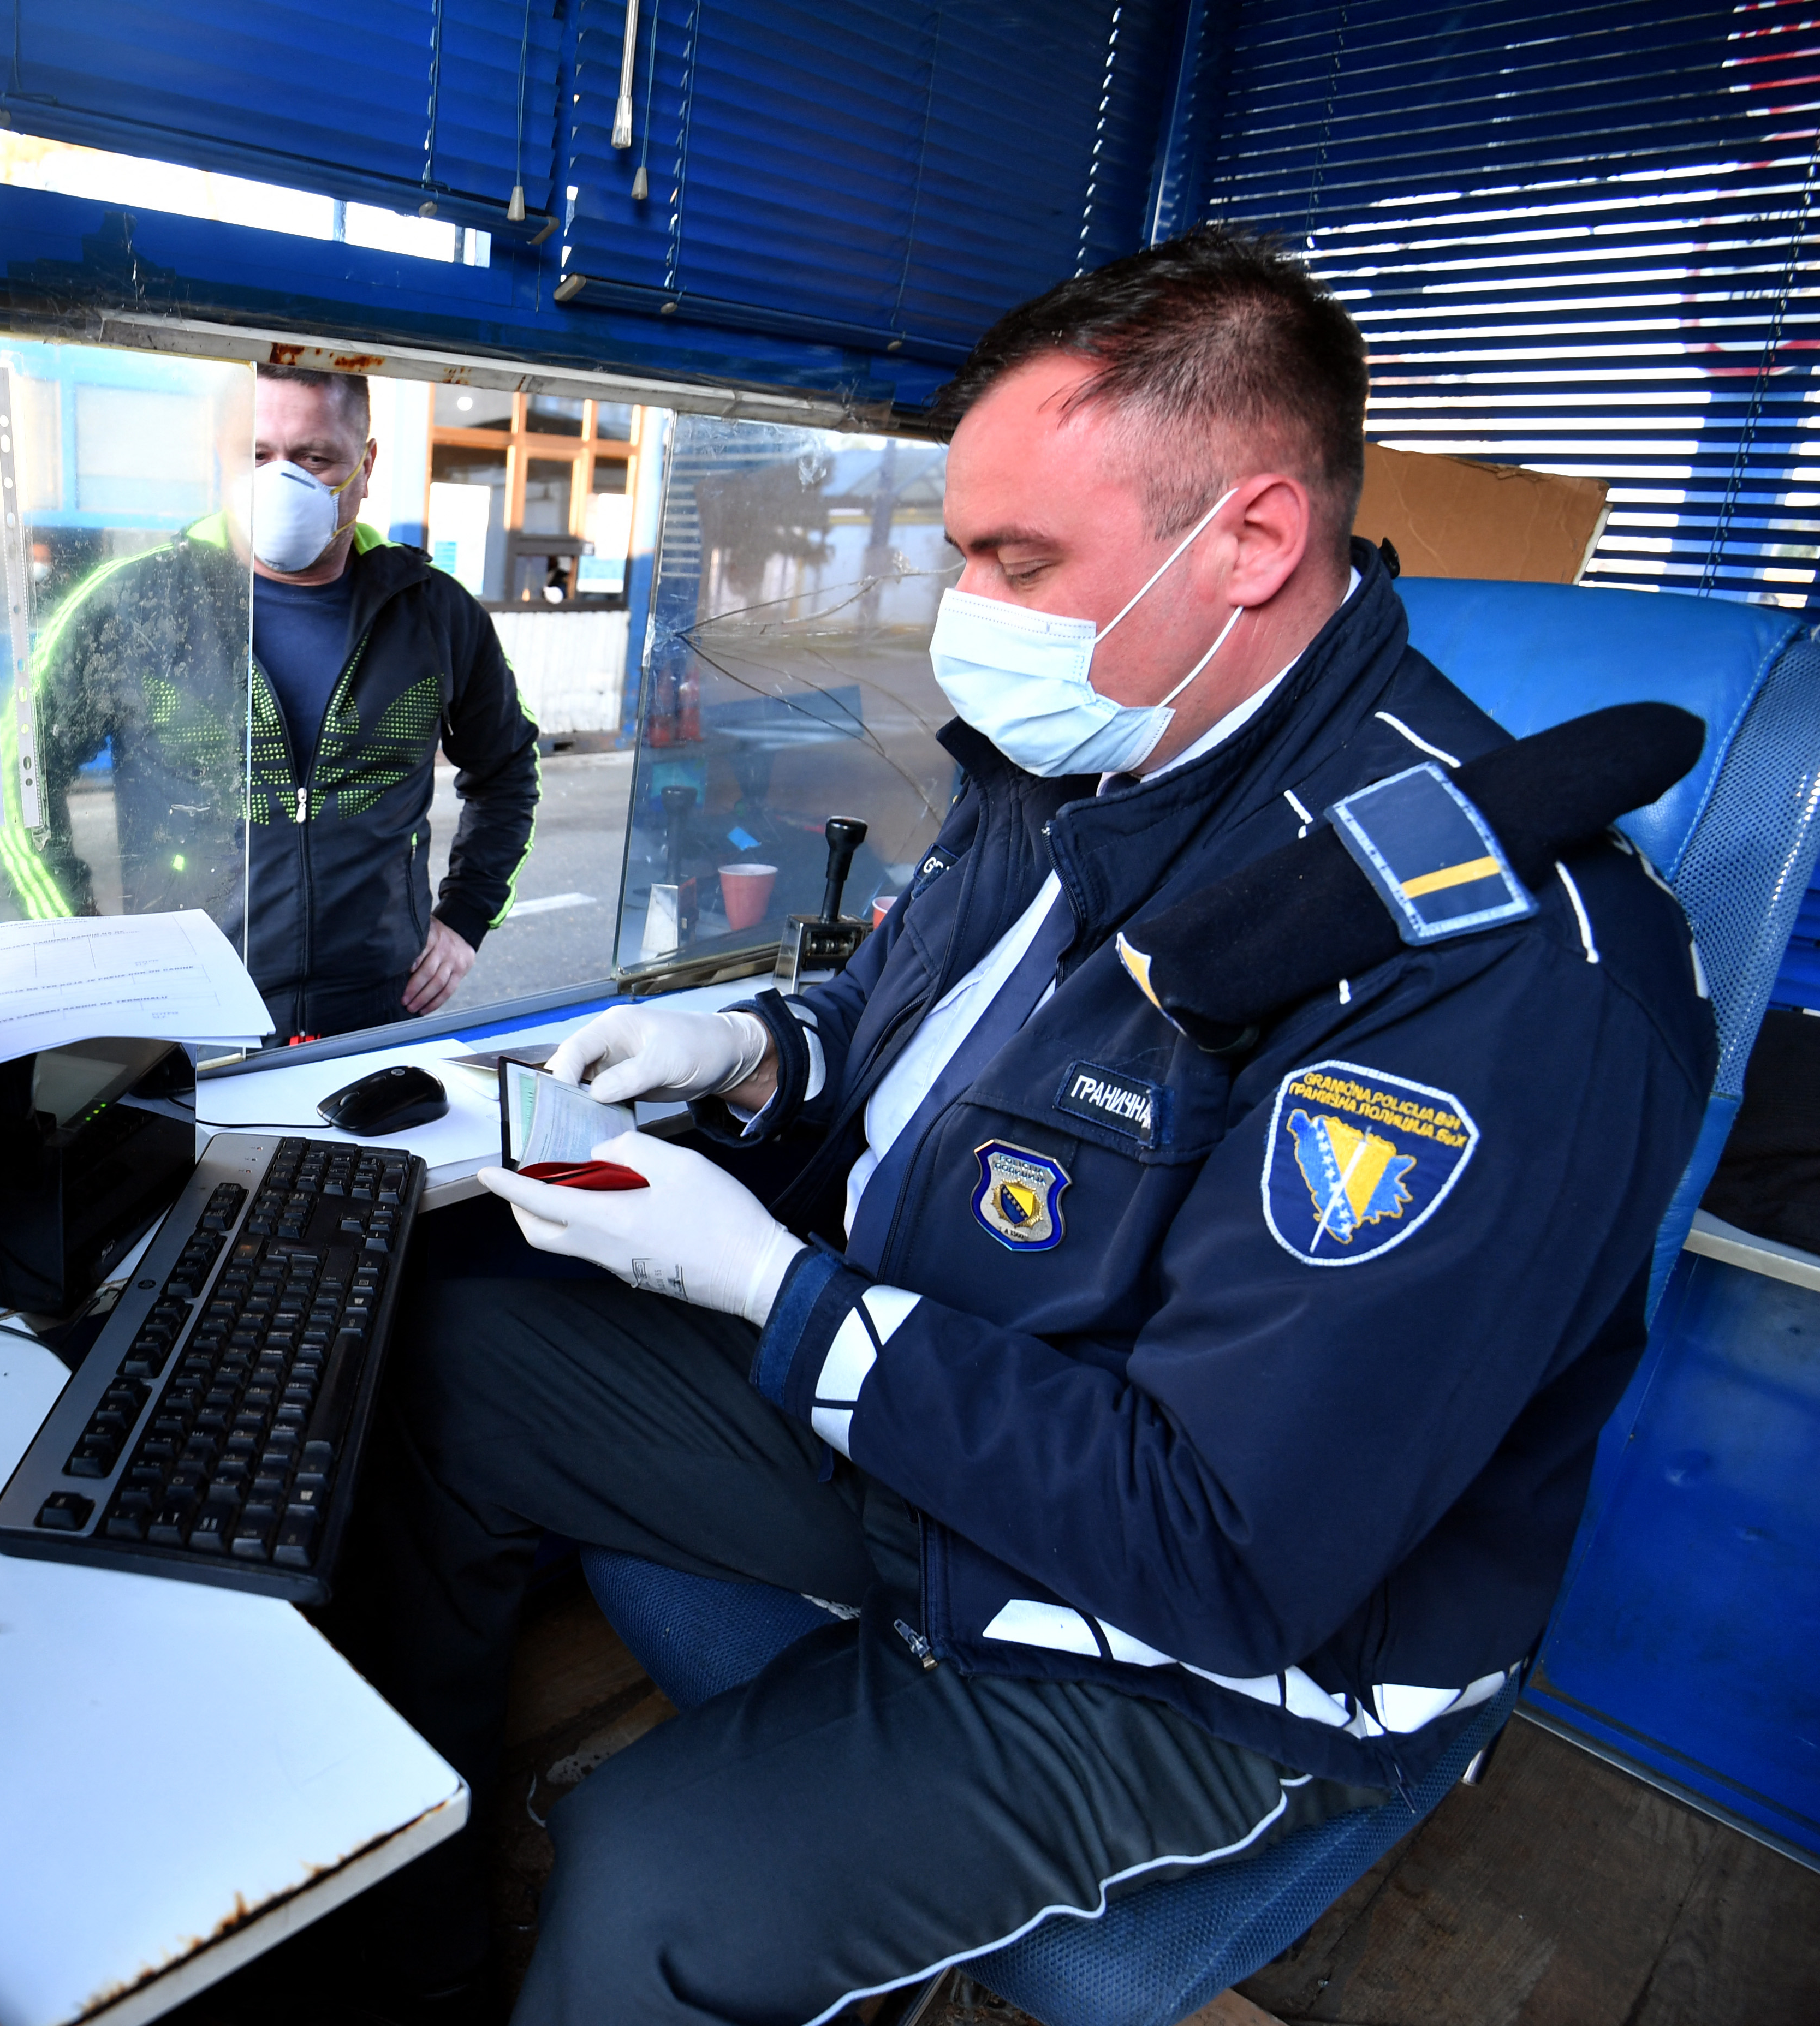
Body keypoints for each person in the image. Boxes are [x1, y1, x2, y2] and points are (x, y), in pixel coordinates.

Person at [316, 228, 1713, 2022]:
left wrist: (773, 1293)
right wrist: (748, 1050)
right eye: (961, 547)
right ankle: (373, 1947)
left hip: (1207, 1643)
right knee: (441, 1339)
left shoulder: (1489, 972)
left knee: (657, 1888)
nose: (956, 611)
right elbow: (928, 1046)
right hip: (932, 1411)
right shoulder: (1086, 756)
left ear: (1250, 545)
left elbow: (1223, 1549)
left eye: (1012, 558)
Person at [9, 365, 540, 1038]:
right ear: (219, 457)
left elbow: (509, 770)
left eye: (315, 457)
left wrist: (466, 916)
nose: (281, 480)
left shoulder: (434, 615)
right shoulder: (135, 607)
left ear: (367, 465)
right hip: (183, 1015)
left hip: (375, 1009)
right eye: (256, 455)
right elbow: (23, 771)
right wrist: (76, 941)